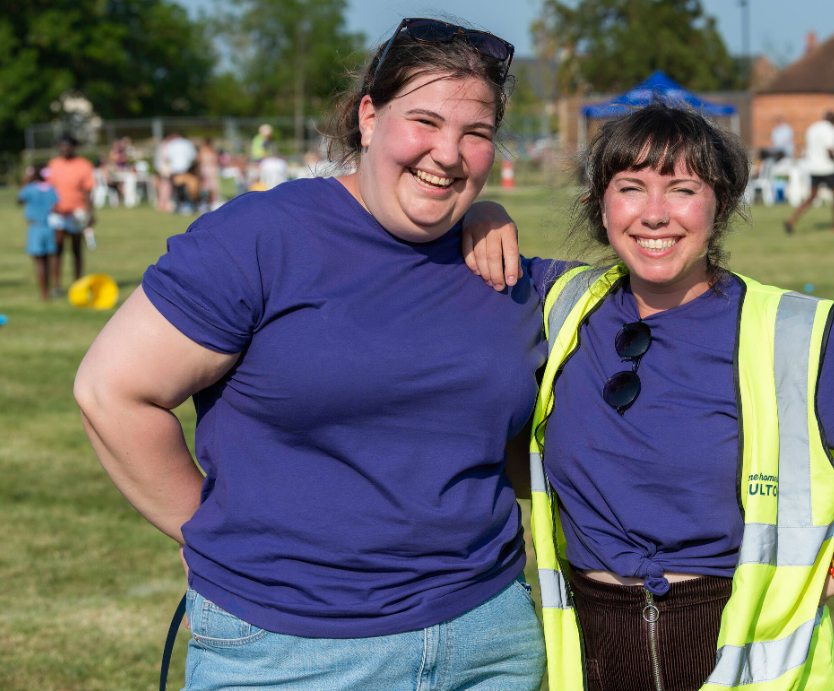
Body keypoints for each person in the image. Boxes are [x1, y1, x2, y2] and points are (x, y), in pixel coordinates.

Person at [74, 17, 547, 691]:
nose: (448, 153)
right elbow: (111, 390)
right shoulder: (261, 237)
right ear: (368, 116)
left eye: (475, 134)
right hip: (285, 650)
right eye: (424, 121)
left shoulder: (500, 268)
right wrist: (209, 532)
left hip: (487, 641)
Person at [468, 101, 834, 691]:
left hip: (730, 642)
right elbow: (434, 243)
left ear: (721, 206)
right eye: (631, 188)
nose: (655, 215)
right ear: (598, 206)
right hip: (595, 645)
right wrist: (484, 212)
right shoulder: (560, 299)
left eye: (682, 189)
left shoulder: (790, 330)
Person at [47, 135, 95, 291]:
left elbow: (88, 191)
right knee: (57, 248)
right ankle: (57, 285)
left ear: (74, 147)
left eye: (67, 147)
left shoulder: (84, 165)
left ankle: (77, 283)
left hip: (77, 212)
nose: (64, 150)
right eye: (61, 147)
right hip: (59, 212)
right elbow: (48, 188)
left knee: (76, 248)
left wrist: (90, 213)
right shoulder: (54, 164)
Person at [785, 111, 834, 234]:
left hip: (813, 168)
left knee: (811, 197)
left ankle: (792, 219)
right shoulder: (831, 130)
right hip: (827, 168)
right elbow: (830, 150)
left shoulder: (813, 128)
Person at [17, 166, 60, 300]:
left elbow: (19, 200)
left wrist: (25, 181)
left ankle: (44, 293)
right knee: (49, 259)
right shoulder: (52, 189)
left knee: (39, 262)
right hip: (50, 227)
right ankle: (55, 286)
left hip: (35, 227)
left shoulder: (30, 189)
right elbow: (57, 205)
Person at [162, 132, 198, 213]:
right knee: (188, 190)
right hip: (186, 171)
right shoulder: (187, 143)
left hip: (176, 172)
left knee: (178, 190)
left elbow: (167, 158)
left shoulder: (171, 144)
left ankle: (180, 205)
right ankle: (189, 205)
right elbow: (193, 157)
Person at [197, 138, 221, 210]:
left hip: (208, 170)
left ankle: (207, 203)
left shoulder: (203, 151)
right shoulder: (211, 151)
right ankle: (210, 202)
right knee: (211, 187)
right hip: (210, 171)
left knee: (207, 187)